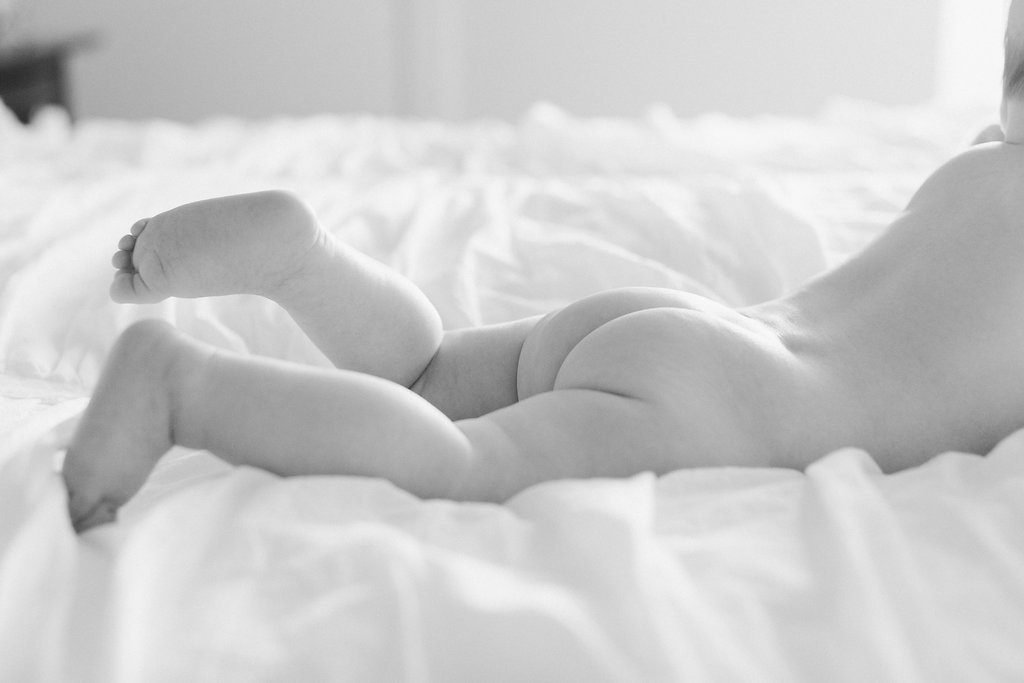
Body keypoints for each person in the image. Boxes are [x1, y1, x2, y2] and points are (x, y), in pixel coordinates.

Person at [62, 7, 1024, 534]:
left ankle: (303, 261)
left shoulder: (984, 156)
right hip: (732, 411)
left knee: (428, 377)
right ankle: (182, 386)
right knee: (466, 467)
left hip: (693, 328)